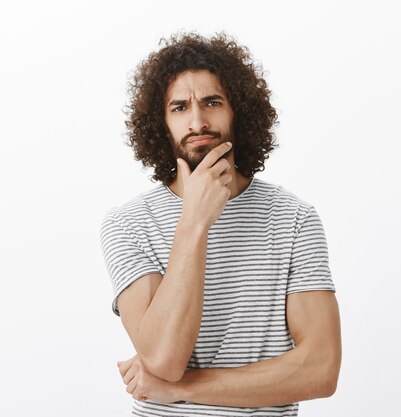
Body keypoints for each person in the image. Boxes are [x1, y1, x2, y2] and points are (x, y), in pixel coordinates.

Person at [99, 31, 341, 417]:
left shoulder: (294, 218)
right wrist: (194, 221)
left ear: (237, 112)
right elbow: (163, 358)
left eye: (212, 102)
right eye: (179, 107)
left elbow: (321, 370)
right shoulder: (130, 224)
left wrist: (178, 391)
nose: (197, 121)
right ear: (160, 123)